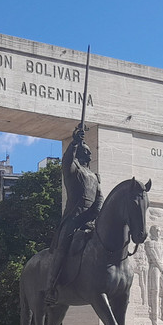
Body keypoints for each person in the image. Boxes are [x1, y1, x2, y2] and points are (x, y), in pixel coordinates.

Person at [45, 123, 103, 304]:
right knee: (62, 248)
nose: (90, 155)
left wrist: (96, 213)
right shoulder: (73, 171)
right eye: (87, 152)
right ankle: (51, 287)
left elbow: (100, 198)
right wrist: (74, 142)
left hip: (90, 219)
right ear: (80, 154)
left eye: (90, 153)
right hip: (74, 218)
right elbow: (66, 161)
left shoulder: (94, 177)